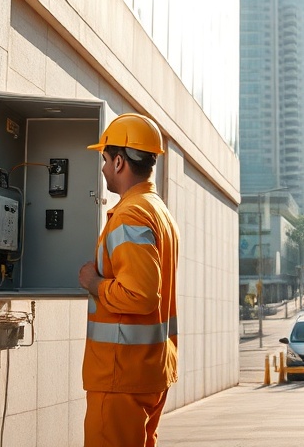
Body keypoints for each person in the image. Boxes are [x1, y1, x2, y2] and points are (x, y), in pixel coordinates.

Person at [79, 113, 179, 447]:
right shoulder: (158, 211)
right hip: (149, 370)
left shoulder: (131, 213)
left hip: (121, 375)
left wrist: (93, 282)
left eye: (105, 159)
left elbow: (140, 295)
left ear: (120, 161)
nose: (104, 168)